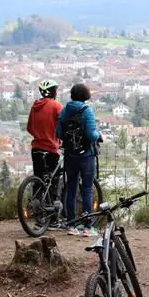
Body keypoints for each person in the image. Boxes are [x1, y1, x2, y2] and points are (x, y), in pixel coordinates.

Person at [56, 83, 102, 237]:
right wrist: (98, 135)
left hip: (70, 155)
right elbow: (91, 134)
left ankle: (71, 225)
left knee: (71, 189)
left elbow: (59, 133)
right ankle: (88, 227)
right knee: (87, 189)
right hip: (86, 155)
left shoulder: (64, 111)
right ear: (85, 95)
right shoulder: (87, 111)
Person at [27, 79, 63, 230]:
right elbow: (62, 126)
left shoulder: (35, 106)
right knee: (53, 183)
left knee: (39, 181)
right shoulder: (56, 106)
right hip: (50, 148)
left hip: (36, 148)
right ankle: (53, 220)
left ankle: (39, 217)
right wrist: (56, 138)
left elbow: (29, 127)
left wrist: (39, 135)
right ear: (54, 91)